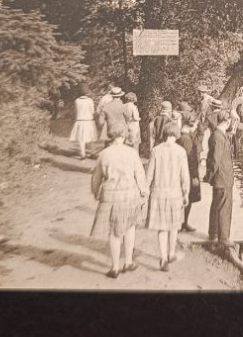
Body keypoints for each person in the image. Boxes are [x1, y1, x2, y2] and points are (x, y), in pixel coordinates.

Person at [90, 123, 149, 279]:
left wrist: (96, 192)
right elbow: (140, 174)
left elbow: (96, 178)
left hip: (110, 196)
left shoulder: (104, 154)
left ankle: (115, 267)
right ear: (124, 135)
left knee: (114, 231)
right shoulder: (132, 153)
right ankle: (128, 262)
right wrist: (144, 191)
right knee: (129, 227)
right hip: (129, 195)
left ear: (111, 135)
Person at [145, 118, 190, 271]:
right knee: (174, 226)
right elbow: (185, 176)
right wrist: (186, 193)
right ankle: (171, 253)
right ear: (176, 134)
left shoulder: (156, 150)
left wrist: (145, 193)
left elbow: (149, 175)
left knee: (162, 227)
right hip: (175, 194)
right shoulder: (181, 152)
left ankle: (163, 258)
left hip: (158, 193)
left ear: (164, 133)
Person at [206, 109, 235, 254]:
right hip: (223, 179)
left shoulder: (218, 135)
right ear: (227, 122)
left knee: (216, 205)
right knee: (224, 207)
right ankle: (223, 238)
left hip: (221, 178)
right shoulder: (218, 137)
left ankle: (213, 234)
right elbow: (215, 160)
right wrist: (209, 176)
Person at [176, 113, 202, 232]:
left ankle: (183, 223)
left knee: (185, 198)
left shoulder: (181, 137)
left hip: (182, 173)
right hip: (188, 174)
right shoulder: (186, 140)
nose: (196, 127)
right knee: (188, 198)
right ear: (190, 124)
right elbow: (189, 159)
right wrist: (194, 176)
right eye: (195, 124)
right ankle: (183, 223)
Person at [69, 84, 97, 159]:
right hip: (89, 120)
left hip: (80, 120)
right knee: (91, 137)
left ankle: (82, 153)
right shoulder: (90, 101)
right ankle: (92, 152)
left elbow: (76, 110)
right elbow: (92, 111)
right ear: (87, 92)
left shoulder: (77, 101)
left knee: (81, 138)